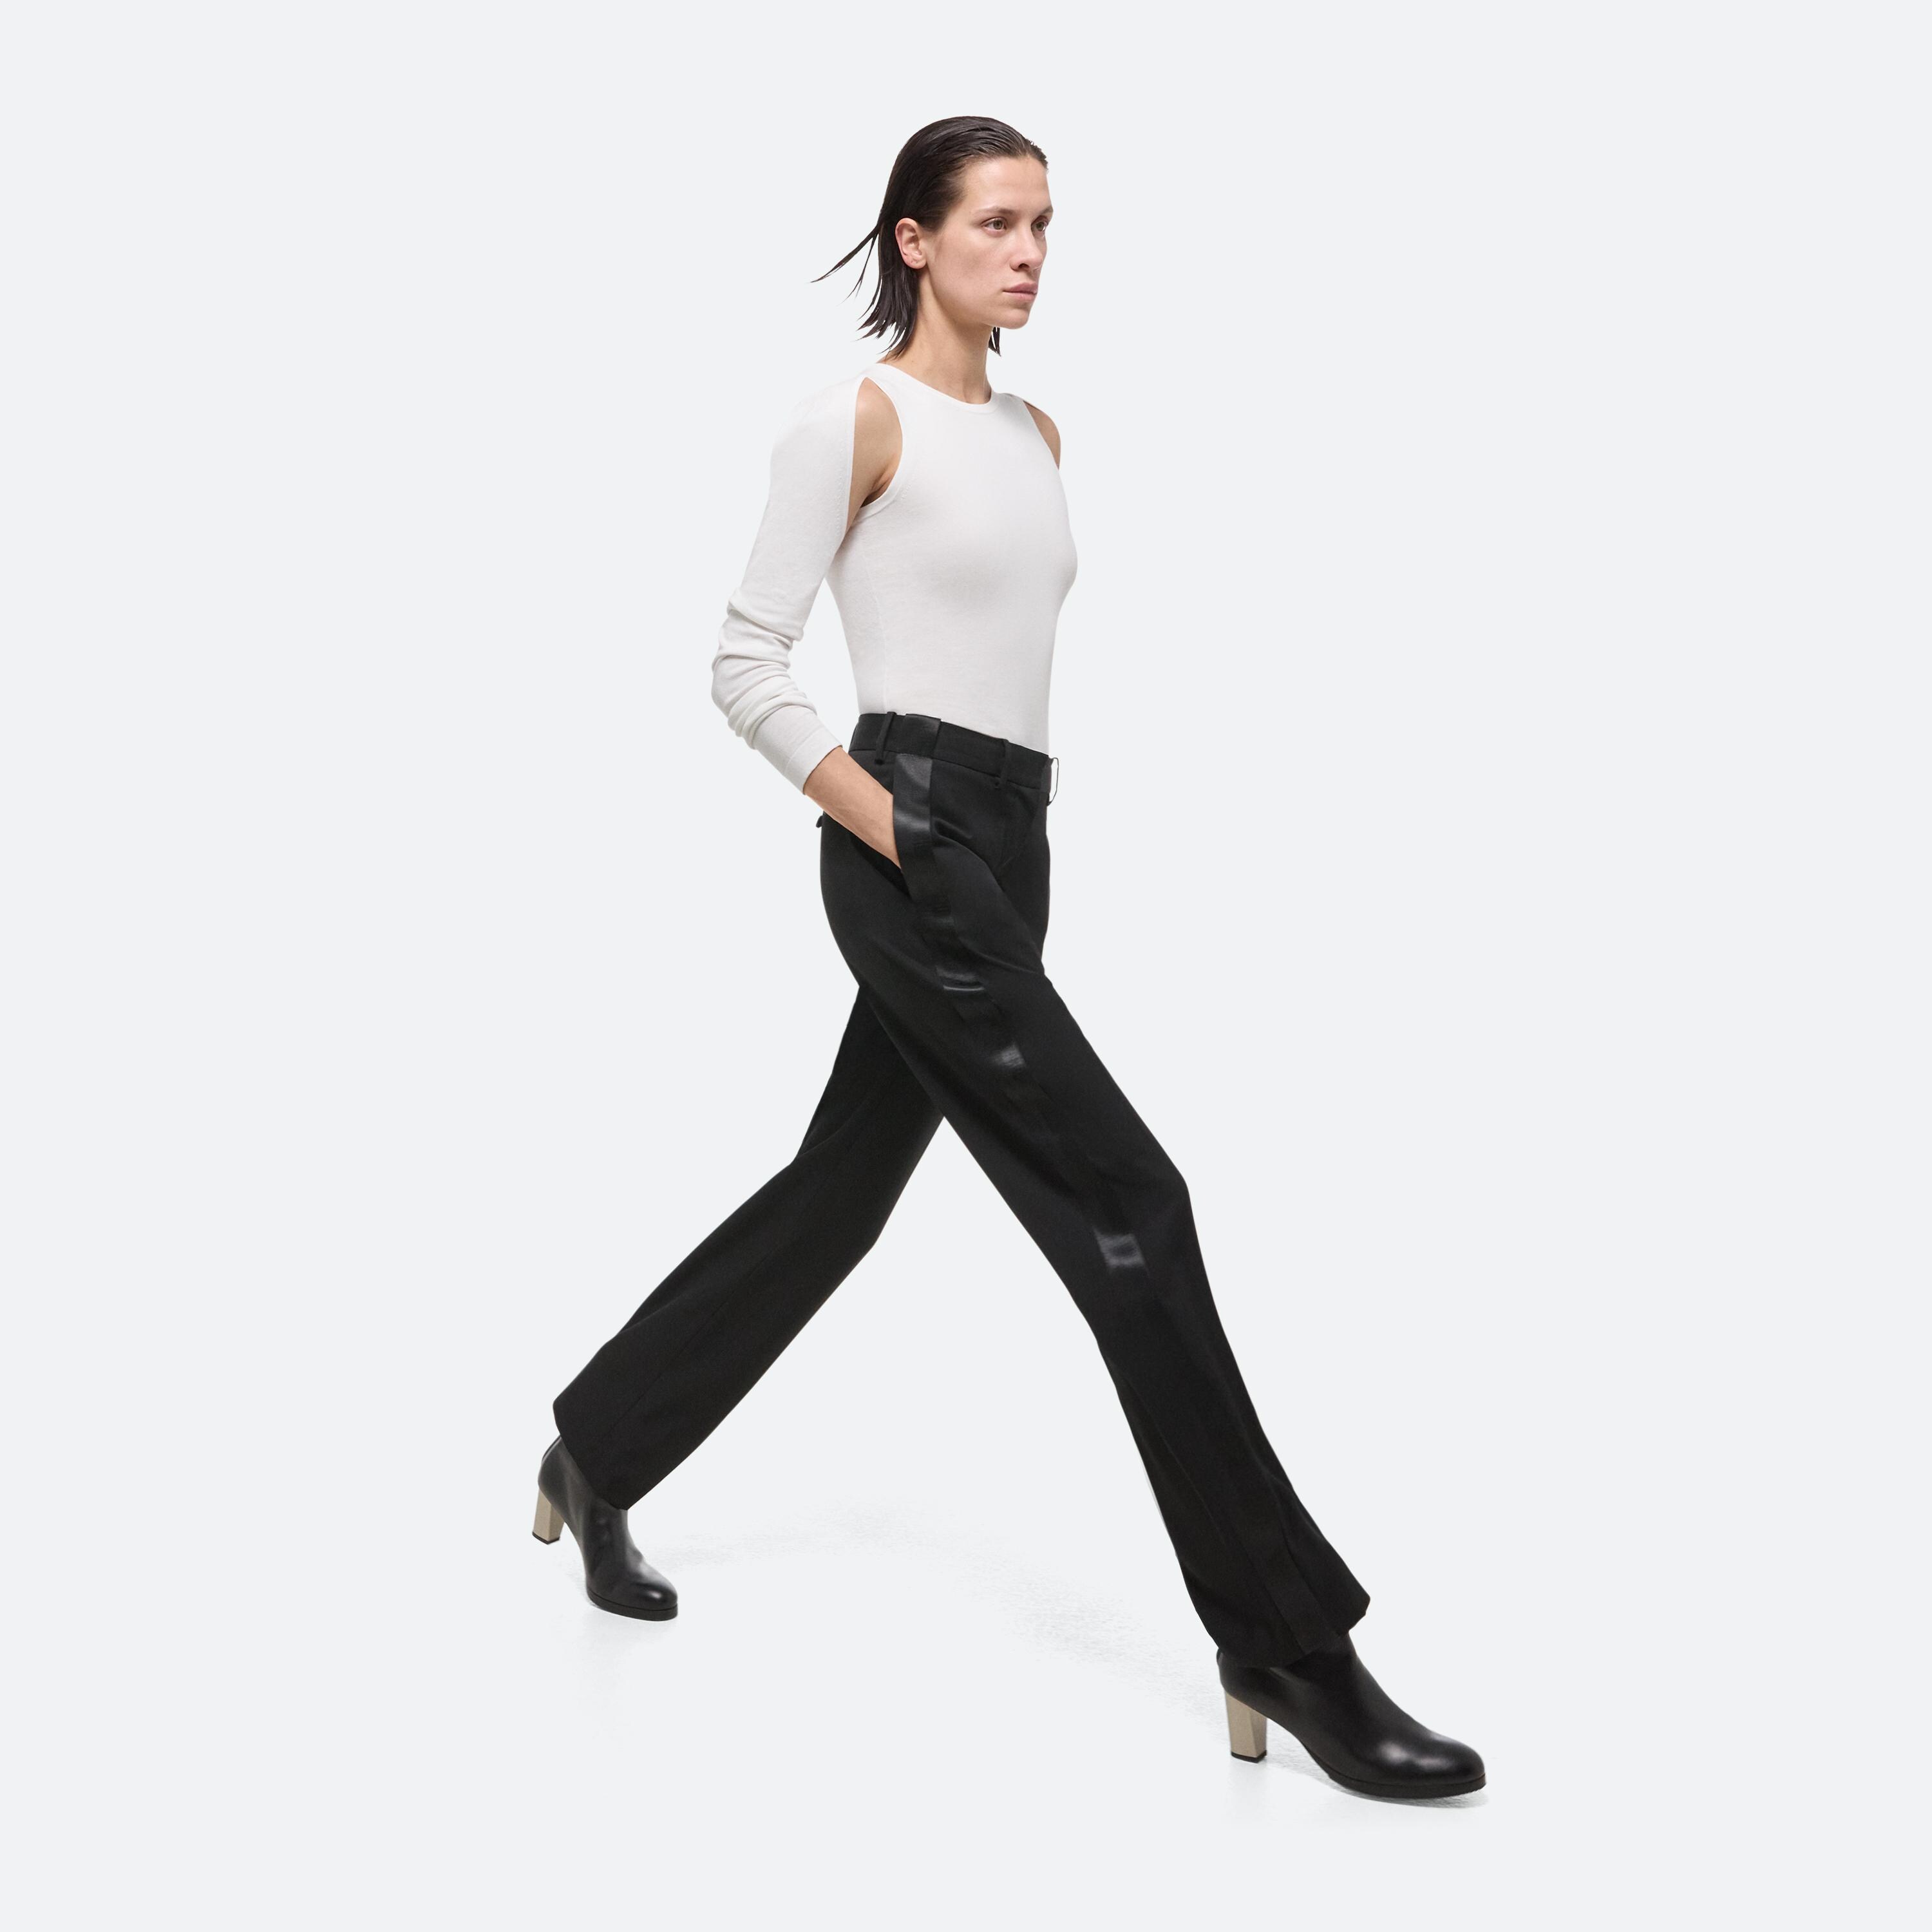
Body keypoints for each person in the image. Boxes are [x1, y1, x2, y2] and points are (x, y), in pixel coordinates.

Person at [532, 116, 1484, 1802]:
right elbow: (745, 662)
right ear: (914, 240)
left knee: (838, 1196)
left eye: (1045, 223)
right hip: (913, 841)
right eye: (994, 222)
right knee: (1137, 1204)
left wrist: (977, 846)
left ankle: (595, 1446)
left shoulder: (1041, 433)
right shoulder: (854, 419)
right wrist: (892, 829)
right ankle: (1287, 1641)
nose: (1030, 252)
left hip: (1012, 841)